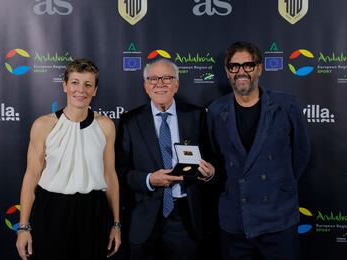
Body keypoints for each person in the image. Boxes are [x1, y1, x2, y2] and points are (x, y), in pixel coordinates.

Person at [207, 41, 310, 259]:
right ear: (227, 72)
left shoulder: (286, 105)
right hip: (235, 220)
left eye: (248, 65)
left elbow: (301, 154)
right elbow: (215, 156)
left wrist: (280, 186)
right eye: (234, 66)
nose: (241, 72)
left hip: (278, 218)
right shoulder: (216, 110)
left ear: (259, 68)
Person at [16, 59, 121, 260]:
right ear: (65, 85)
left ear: (95, 90)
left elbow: (110, 175)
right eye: (74, 82)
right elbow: (31, 177)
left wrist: (116, 223)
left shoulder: (106, 126)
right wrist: (23, 227)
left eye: (88, 84)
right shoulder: (43, 124)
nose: (80, 90)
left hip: (93, 211)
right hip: (51, 209)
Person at [115, 58, 215, 260]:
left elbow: (213, 161)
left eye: (167, 78)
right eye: (153, 79)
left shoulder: (197, 116)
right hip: (144, 218)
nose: (159, 84)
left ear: (176, 84)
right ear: (145, 86)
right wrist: (149, 180)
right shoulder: (130, 121)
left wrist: (210, 173)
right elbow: (121, 171)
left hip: (186, 218)